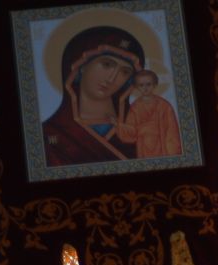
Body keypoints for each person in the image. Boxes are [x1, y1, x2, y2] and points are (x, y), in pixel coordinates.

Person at [41, 26, 148, 166]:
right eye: (107, 64)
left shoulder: (140, 131)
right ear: (82, 65)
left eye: (125, 72)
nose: (112, 78)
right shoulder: (50, 134)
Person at [117, 69, 182, 159]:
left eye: (148, 84)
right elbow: (131, 132)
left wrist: (172, 155)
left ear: (154, 85)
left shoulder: (164, 106)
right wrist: (119, 125)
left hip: (162, 147)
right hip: (143, 148)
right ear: (137, 87)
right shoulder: (135, 107)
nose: (145, 88)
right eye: (141, 85)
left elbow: (172, 131)